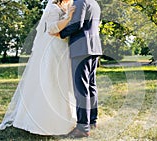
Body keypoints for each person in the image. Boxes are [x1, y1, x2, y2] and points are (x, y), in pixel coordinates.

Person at [0, 0, 77, 135]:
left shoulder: (66, 7)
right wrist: (68, 18)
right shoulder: (53, 7)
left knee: (62, 82)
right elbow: (52, 29)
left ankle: (66, 117)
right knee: (50, 81)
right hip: (53, 49)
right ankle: (45, 120)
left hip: (62, 48)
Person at [53, 0, 102, 138]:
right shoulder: (94, 3)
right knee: (91, 86)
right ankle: (92, 121)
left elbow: (77, 24)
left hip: (81, 48)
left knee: (81, 89)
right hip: (94, 48)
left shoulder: (81, 1)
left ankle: (82, 127)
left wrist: (60, 33)